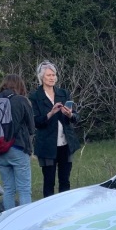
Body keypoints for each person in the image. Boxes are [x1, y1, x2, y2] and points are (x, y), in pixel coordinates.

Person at [29, 61, 81, 197]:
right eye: (48, 75)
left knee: (65, 180)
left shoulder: (64, 93)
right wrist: (51, 113)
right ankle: (49, 208)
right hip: (47, 144)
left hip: (66, 143)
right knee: (49, 181)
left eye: (54, 75)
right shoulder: (35, 97)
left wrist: (70, 115)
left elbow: (76, 117)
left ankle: (65, 207)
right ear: (42, 77)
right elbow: (36, 122)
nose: (52, 78)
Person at [0, 74, 35, 208]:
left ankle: (9, 218)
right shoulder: (21, 100)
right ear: (20, 85)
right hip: (18, 147)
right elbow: (32, 128)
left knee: (8, 189)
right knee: (24, 189)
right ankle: (25, 218)